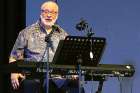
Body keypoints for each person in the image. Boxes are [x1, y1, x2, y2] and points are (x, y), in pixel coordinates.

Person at [9, 1, 69, 93]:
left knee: (75, 85)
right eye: (46, 11)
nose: (49, 15)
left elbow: (67, 59)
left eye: (53, 12)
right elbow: (14, 57)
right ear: (41, 13)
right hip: (33, 76)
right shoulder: (26, 32)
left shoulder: (63, 35)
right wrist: (14, 72)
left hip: (56, 78)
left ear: (57, 15)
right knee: (30, 85)